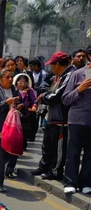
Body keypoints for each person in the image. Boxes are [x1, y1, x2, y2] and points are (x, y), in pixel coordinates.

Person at [31, 52, 74, 180]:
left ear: (57, 64)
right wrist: (45, 94)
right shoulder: (57, 76)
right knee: (47, 144)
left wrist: (43, 97)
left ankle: (55, 171)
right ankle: (44, 166)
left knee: (58, 147)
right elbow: (46, 87)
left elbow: (57, 96)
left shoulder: (70, 75)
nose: (50, 68)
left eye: (52, 65)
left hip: (62, 118)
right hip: (52, 115)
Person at [61, 45, 91, 195]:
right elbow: (65, 99)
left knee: (89, 154)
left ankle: (86, 182)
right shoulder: (78, 74)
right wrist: (80, 89)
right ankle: (70, 182)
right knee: (73, 152)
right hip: (77, 119)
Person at [13, 73, 37, 153]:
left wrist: (27, 105)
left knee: (24, 131)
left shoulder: (29, 91)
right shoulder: (14, 90)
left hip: (25, 114)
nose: (22, 84)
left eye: (24, 82)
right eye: (20, 82)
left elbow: (34, 101)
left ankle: (23, 145)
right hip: (14, 113)